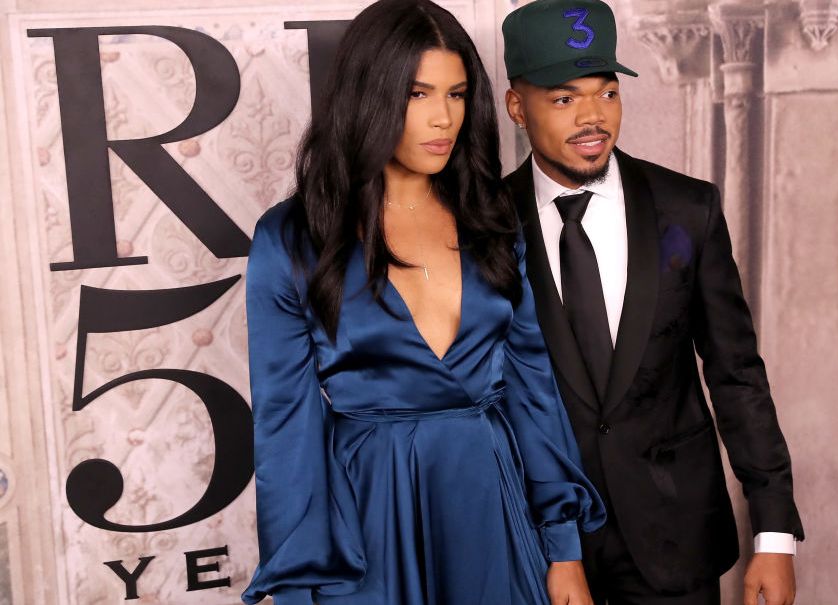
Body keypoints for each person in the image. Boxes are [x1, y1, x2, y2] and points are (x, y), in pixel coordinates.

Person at [240, 1, 605, 603]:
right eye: (418, 94)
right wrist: (297, 583)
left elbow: (533, 389)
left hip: (492, 503)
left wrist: (564, 549)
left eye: (457, 95)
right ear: (369, 96)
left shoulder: (490, 216)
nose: (444, 119)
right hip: (369, 518)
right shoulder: (292, 239)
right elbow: (286, 427)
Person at [500, 1, 804, 604]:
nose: (593, 118)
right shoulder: (482, 222)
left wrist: (773, 533)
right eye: (564, 99)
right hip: (537, 547)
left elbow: (736, 374)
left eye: (606, 93)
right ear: (517, 105)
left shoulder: (688, 209)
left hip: (675, 540)